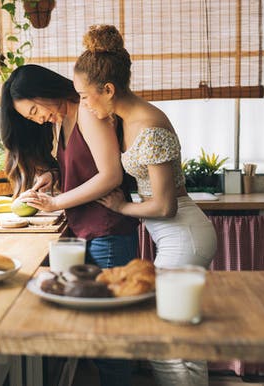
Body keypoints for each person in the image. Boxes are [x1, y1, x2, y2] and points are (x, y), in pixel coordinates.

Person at [73, 25, 218, 386]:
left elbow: (165, 206)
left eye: (85, 96)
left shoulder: (149, 126)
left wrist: (122, 208)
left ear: (108, 90)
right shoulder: (124, 118)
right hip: (173, 236)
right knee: (180, 336)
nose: (85, 106)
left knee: (164, 339)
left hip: (184, 234)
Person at [0, 64, 139, 385]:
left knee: (110, 339)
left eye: (35, 109)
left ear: (45, 90)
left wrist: (55, 203)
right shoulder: (63, 121)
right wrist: (53, 177)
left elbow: (110, 176)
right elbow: (84, 171)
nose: (37, 119)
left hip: (107, 232)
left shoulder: (88, 113)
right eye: (29, 117)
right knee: (100, 336)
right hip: (90, 232)